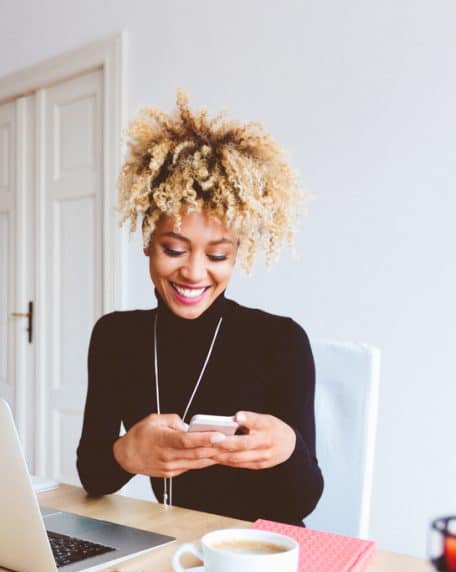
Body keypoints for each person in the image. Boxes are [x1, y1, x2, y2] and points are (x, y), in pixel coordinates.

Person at [76, 91, 323, 525]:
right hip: (170, 541)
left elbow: (302, 503)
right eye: (174, 248)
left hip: (259, 553)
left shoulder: (281, 341)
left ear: (236, 255)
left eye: (217, 256)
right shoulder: (115, 337)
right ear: (148, 242)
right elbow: (93, 477)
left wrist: (288, 447)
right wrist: (125, 452)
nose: (193, 272)